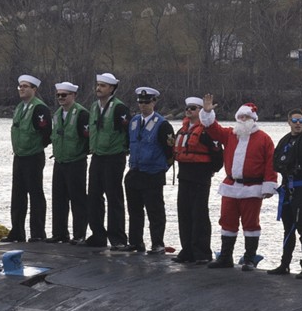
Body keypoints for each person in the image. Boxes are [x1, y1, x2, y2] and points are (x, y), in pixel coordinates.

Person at [206, 97, 276, 270]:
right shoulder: (230, 135)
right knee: (227, 222)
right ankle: (225, 257)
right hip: (231, 186)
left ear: (253, 119)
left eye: (247, 117)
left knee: (251, 224)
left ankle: (249, 258)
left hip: (252, 188)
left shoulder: (264, 139)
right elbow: (212, 129)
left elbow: (270, 163)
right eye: (241, 117)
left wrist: (269, 185)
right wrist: (207, 112)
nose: (243, 120)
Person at [267, 109, 302, 278]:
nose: (298, 123)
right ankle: (285, 264)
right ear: (289, 121)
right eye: (295, 120)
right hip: (286, 189)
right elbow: (276, 162)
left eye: (301, 120)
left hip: (300, 190)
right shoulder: (285, 141)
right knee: (288, 229)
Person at [172, 95, 225, 263]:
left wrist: (210, 171)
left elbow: (218, 156)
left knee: (199, 213)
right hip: (184, 174)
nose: (189, 111)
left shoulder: (207, 131)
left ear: (200, 111)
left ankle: (201, 252)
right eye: (188, 108)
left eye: (193, 108)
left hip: (200, 175)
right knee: (184, 212)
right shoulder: (183, 130)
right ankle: (187, 249)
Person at [124, 86, 176, 254]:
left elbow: (170, 152)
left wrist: (160, 168)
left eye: (147, 102)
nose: (143, 105)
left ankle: (157, 244)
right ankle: (136, 242)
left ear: (154, 102)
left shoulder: (163, 125)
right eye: (140, 102)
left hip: (153, 174)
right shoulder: (133, 122)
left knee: (155, 212)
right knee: (135, 212)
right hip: (135, 172)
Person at [82, 72, 129, 248]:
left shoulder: (119, 108)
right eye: (98, 85)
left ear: (111, 88)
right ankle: (98, 234)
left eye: (102, 85)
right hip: (97, 155)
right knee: (93, 196)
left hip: (114, 156)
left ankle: (117, 238)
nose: (98, 88)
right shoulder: (94, 107)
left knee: (114, 197)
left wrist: (124, 150)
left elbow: (127, 131)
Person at [8, 74, 51, 242]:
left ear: (34, 89)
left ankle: (38, 233)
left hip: (33, 156)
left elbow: (46, 133)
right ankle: (17, 232)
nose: (22, 89)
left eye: (26, 86)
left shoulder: (39, 109)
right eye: (20, 86)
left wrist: (36, 147)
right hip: (19, 156)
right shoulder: (20, 107)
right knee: (17, 195)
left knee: (35, 194)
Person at [49, 81, 90, 243]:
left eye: (64, 95)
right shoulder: (57, 114)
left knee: (78, 199)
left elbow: (88, 138)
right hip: (60, 161)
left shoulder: (82, 114)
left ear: (73, 96)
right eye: (58, 95)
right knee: (58, 199)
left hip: (76, 162)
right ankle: (59, 233)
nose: (61, 98)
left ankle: (79, 234)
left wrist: (80, 153)